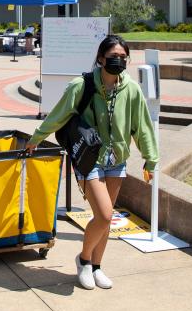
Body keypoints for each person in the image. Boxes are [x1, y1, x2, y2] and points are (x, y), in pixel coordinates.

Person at [25, 35, 158, 290]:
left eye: (122, 57)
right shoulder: (81, 85)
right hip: (89, 159)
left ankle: (97, 267)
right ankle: (84, 259)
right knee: (105, 215)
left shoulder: (131, 90)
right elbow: (58, 115)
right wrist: (37, 138)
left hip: (116, 160)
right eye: (112, 57)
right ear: (100, 58)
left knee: (104, 219)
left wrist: (150, 159)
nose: (118, 61)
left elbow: (142, 127)